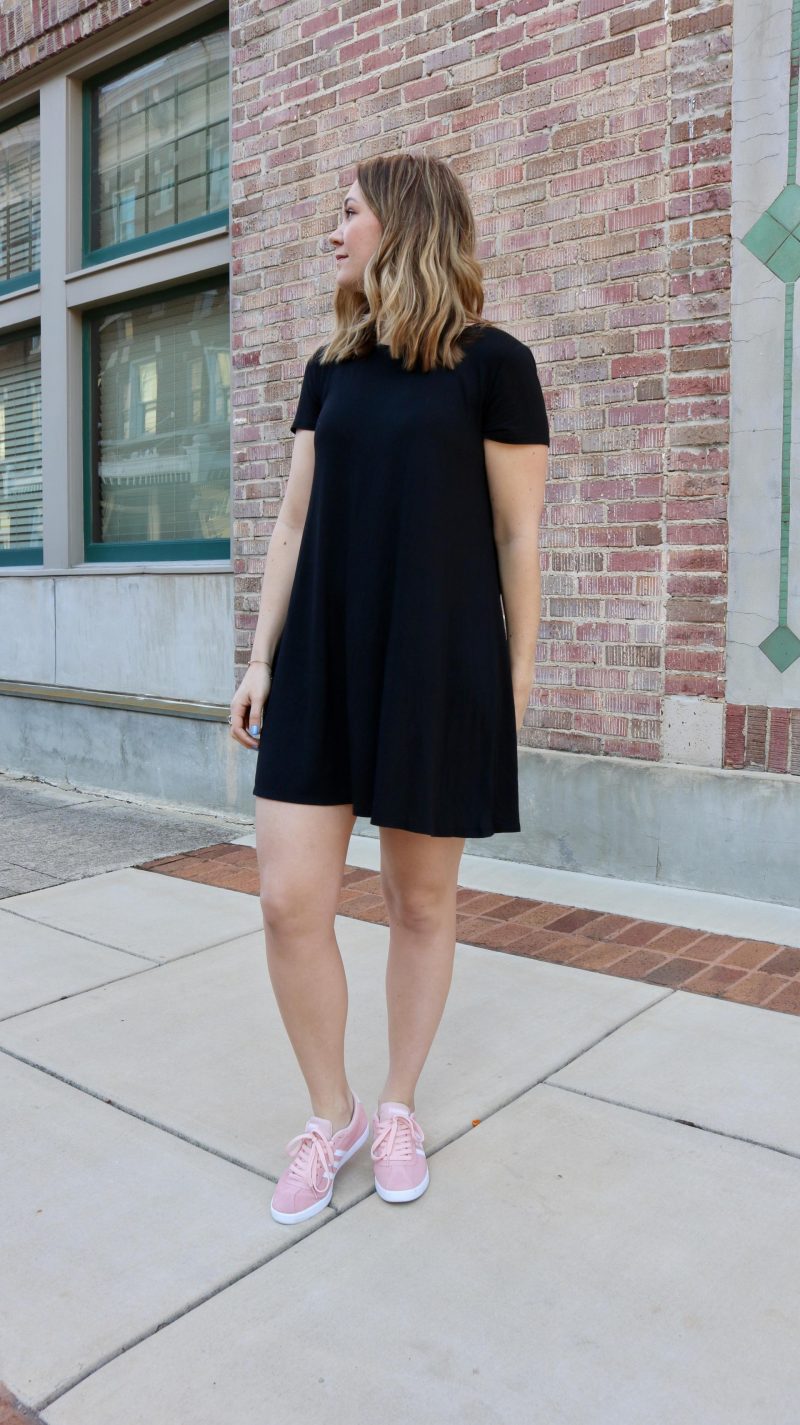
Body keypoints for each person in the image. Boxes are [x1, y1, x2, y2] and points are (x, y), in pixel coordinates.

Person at [229, 152, 549, 1225]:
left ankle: (400, 1103)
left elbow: (518, 533)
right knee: (287, 901)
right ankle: (334, 1116)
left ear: (401, 224)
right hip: (322, 651)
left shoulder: (494, 366)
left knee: (420, 902)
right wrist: (261, 656)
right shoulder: (330, 367)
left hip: (433, 659)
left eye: (347, 213)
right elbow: (289, 522)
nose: (333, 233)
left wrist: (510, 677)